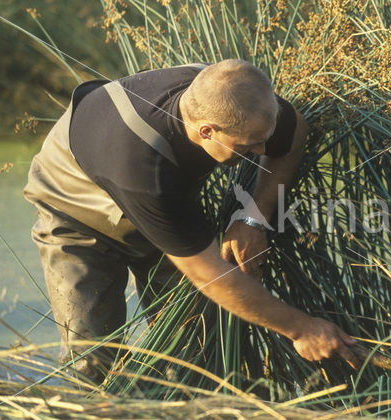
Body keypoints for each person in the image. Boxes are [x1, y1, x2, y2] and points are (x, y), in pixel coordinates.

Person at [23, 59, 358, 382]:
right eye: (249, 145)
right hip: (75, 212)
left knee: (190, 343)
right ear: (207, 131)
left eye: (264, 139)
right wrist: (302, 329)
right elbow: (209, 276)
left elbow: (294, 132)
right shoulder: (145, 171)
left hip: (158, 201)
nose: (261, 151)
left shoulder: (237, 100)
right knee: (93, 362)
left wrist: (252, 218)